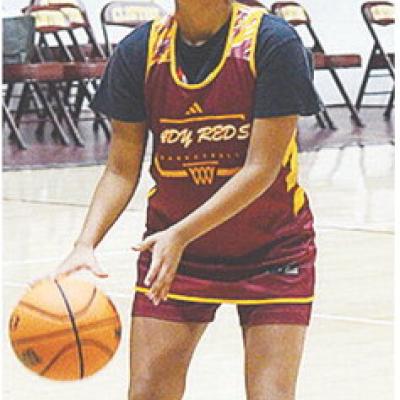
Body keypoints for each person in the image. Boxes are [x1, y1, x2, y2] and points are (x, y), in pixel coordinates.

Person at [54, 0, 320, 399]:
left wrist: (179, 234)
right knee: (147, 394)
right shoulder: (139, 51)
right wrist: (84, 244)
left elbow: (261, 170)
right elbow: (120, 169)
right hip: (176, 255)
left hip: (273, 249)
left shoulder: (272, 42)